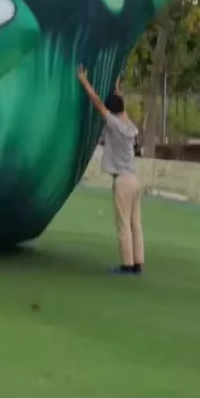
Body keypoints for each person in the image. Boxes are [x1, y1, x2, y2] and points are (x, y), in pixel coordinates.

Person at [76, 65, 143, 276]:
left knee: (123, 225)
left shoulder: (114, 124)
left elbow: (97, 102)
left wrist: (84, 82)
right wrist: (116, 87)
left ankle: (126, 266)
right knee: (135, 224)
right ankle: (137, 263)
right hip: (133, 179)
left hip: (122, 181)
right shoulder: (129, 126)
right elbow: (118, 104)